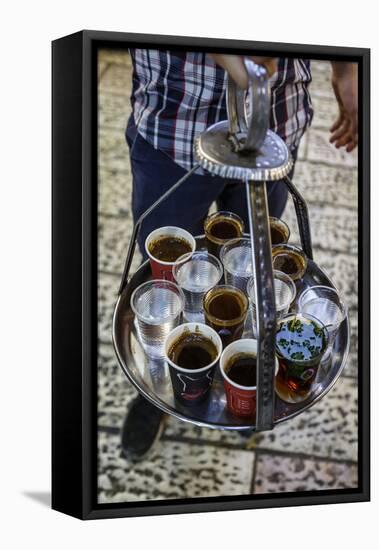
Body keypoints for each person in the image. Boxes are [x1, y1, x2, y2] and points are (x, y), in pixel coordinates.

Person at [121, 50, 358, 461]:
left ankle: (242, 385)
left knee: (254, 262)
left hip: (274, 119)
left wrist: (346, 67)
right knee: (163, 273)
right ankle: (161, 383)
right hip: (174, 114)